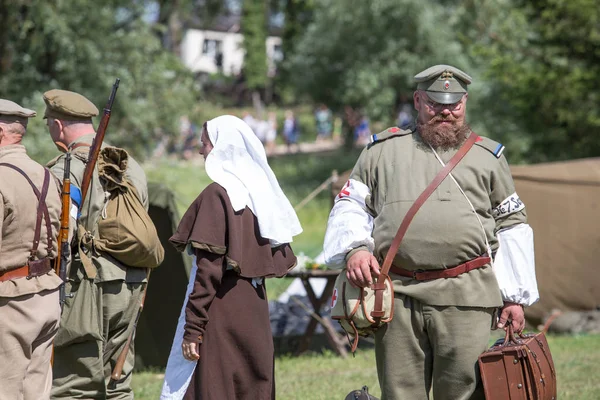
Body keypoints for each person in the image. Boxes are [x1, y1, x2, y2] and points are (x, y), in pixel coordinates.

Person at [323, 64, 539, 400]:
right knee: (400, 393)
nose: (446, 111)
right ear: (419, 100)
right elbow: (350, 205)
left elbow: (512, 225)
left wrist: (514, 297)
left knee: (463, 393)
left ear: (465, 102)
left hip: (467, 296)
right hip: (399, 294)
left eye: (455, 104)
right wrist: (356, 249)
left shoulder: (488, 158)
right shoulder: (381, 151)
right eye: (436, 103)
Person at [160, 115, 302, 400]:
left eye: (205, 143)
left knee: (215, 389)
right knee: (251, 388)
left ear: (222, 146)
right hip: (256, 310)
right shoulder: (260, 197)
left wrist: (193, 328)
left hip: (221, 312)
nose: (201, 151)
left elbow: (208, 273)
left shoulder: (218, 195)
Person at [43, 89, 152, 399]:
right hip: (131, 284)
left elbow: (57, 233)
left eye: (49, 122)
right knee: (118, 384)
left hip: (87, 288)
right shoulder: (131, 166)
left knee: (70, 386)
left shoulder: (66, 169)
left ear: (59, 125)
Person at [0, 99, 62, 400]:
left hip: (9, 303)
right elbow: (66, 235)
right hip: (47, 295)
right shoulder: (47, 175)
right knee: (36, 392)